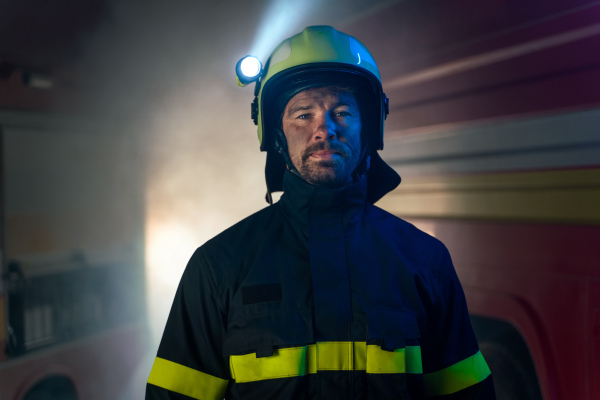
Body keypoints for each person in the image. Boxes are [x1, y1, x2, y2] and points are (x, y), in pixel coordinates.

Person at [146, 25, 495, 399]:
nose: (324, 130)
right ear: (276, 135)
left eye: (342, 112)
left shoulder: (426, 263)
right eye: (302, 115)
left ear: (371, 128)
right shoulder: (217, 268)